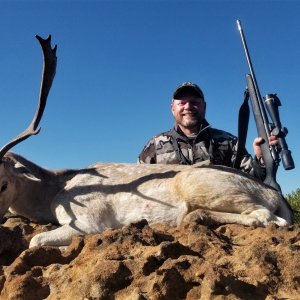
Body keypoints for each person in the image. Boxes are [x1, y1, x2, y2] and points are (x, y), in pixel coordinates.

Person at [138, 82, 277, 179]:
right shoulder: (155, 145)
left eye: (194, 102)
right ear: (172, 108)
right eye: (182, 103)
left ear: (204, 106)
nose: (188, 107)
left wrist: (261, 158)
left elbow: (254, 182)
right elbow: (138, 184)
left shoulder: (229, 142)